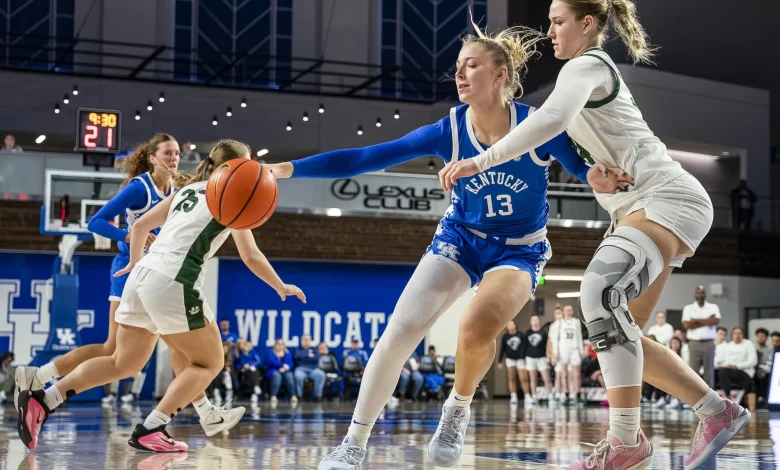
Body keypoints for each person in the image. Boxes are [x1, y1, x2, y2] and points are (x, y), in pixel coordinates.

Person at [268, 20, 597, 469]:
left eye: (471, 65)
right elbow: (365, 158)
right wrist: (287, 169)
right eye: (458, 67)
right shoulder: (449, 130)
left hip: (520, 248)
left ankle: (456, 409)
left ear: (500, 74)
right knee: (399, 333)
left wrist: (610, 180)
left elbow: (583, 170)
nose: (460, 75)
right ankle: (353, 445)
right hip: (460, 239)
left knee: (478, 325)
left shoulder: (540, 126)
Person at [438, 1, 750, 467]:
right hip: (635, 208)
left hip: (665, 197)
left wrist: (480, 160)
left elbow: (549, 122)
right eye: (548, 21)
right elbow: (573, 141)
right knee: (623, 334)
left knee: (598, 295)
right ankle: (716, 410)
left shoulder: (586, 64)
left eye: (558, 21)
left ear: (587, 25)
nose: (550, 31)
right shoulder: (581, 75)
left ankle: (626, 442)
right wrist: (593, 174)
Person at [17, 140, 306, 451]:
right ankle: (154, 426)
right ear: (233, 168)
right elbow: (250, 255)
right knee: (210, 362)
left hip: (142, 276)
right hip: (175, 280)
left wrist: (134, 262)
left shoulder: (186, 191)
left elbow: (139, 225)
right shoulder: (230, 193)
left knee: (121, 363)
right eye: (247, 164)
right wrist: (280, 285)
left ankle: (43, 399)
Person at [682, 286, 722, 388]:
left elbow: (716, 321)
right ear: (695, 294)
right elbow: (687, 325)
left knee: (709, 371)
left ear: (705, 294)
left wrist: (695, 320)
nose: (700, 295)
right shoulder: (688, 308)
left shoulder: (713, 307)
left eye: (702, 293)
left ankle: (709, 398)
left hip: (708, 343)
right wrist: (707, 320)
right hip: (694, 343)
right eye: (698, 293)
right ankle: (693, 396)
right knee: (693, 371)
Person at [717, 327, 758, 412]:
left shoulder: (748, 344)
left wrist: (736, 366)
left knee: (724, 373)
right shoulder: (728, 346)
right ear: (732, 335)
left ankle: (728, 399)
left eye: (740, 333)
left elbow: (753, 361)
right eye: (735, 333)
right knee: (721, 372)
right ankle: (727, 397)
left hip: (745, 371)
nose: (737, 335)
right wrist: (727, 365)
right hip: (729, 371)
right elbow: (724, 361)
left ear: (743, 335)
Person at [552, 305, 584, 406]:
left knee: (576, 374)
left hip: (574, 349)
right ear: (563, 311)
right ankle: (565, 393)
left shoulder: (576, 322)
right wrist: (555, 351)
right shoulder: (559, 323)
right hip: (563, 350)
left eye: (570, 310)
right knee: (564, 374)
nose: (569, 311)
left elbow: (579, 336)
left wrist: (581, 350)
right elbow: (555, 339)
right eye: (566, 310)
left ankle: (576, 394)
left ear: (572, 311)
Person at [498, 320, 531, 407]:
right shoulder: (505, 337)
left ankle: (527, 395)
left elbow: (524, 347)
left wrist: (522, 357)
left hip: (520, 359)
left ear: (515, 325)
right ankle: (513, 396)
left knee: (523, 378)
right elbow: (502, 349)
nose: (510, 325)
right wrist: (500, 361)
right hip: (510, 359)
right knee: (511, 378)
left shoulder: (520, 334)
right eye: (508, 324)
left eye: (512, 323)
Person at [525, 315, 553, 402]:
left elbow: (548, 345)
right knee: (533, 378)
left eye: (536, 320)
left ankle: (551, 395)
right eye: (533, 320)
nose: (535, 321)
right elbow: (524, 346)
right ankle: (534, 396)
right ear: (530, 322)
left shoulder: (543, 332)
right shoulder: (527, 333)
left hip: (542, 358)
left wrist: (548, 356)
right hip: (530, 358)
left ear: (539, 321)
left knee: (546, 377)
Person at [294, 334, 326, 402]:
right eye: (304, 340)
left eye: (307, 339)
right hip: (301, 369)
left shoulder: (314, 349)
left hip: (313, 369)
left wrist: (303, 357)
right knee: (297, 376)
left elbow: (316, 358)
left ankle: (318, 396)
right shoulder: (298, 349)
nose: (306, 341)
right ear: (301, 340)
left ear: (310, 340)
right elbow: (296, 357)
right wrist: (307, 355)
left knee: (321, 374)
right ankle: (300, 396)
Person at [266, 338, 297, 408]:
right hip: (273, 370)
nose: (280, 346)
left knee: (290, 376)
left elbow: (291, 363)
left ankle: (293, 395)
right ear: (275, 345)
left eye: (282, 344)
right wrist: (282, 365)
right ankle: (273, 396)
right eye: (278, 344)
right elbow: (271, 362)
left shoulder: (287, 353)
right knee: (277, 376)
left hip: (285, 371)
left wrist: (287, 367)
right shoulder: (271, 353)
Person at [235, 338, 263, 406]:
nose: (242, 345)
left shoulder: (251, 352)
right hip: (242, 372)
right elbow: (236, 365)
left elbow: (258, 361)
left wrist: (250, 365)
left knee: (253, 372)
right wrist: (243, 366)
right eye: (240, 344)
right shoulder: (237, 353)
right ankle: (255, 388)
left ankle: (255, 391)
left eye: (243, 343)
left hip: (251, 371)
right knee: (252, 373)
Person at [547, 306, 565, 404]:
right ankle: (558, 393)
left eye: (559, 312)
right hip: (556, 353)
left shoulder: (566, 324)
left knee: (565, 374)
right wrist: (549, 354)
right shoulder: (553, 325)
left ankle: (565, 393)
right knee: (558, 374)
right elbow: (550, 341)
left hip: (566, 352)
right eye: (556, 313)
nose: (558, 314)